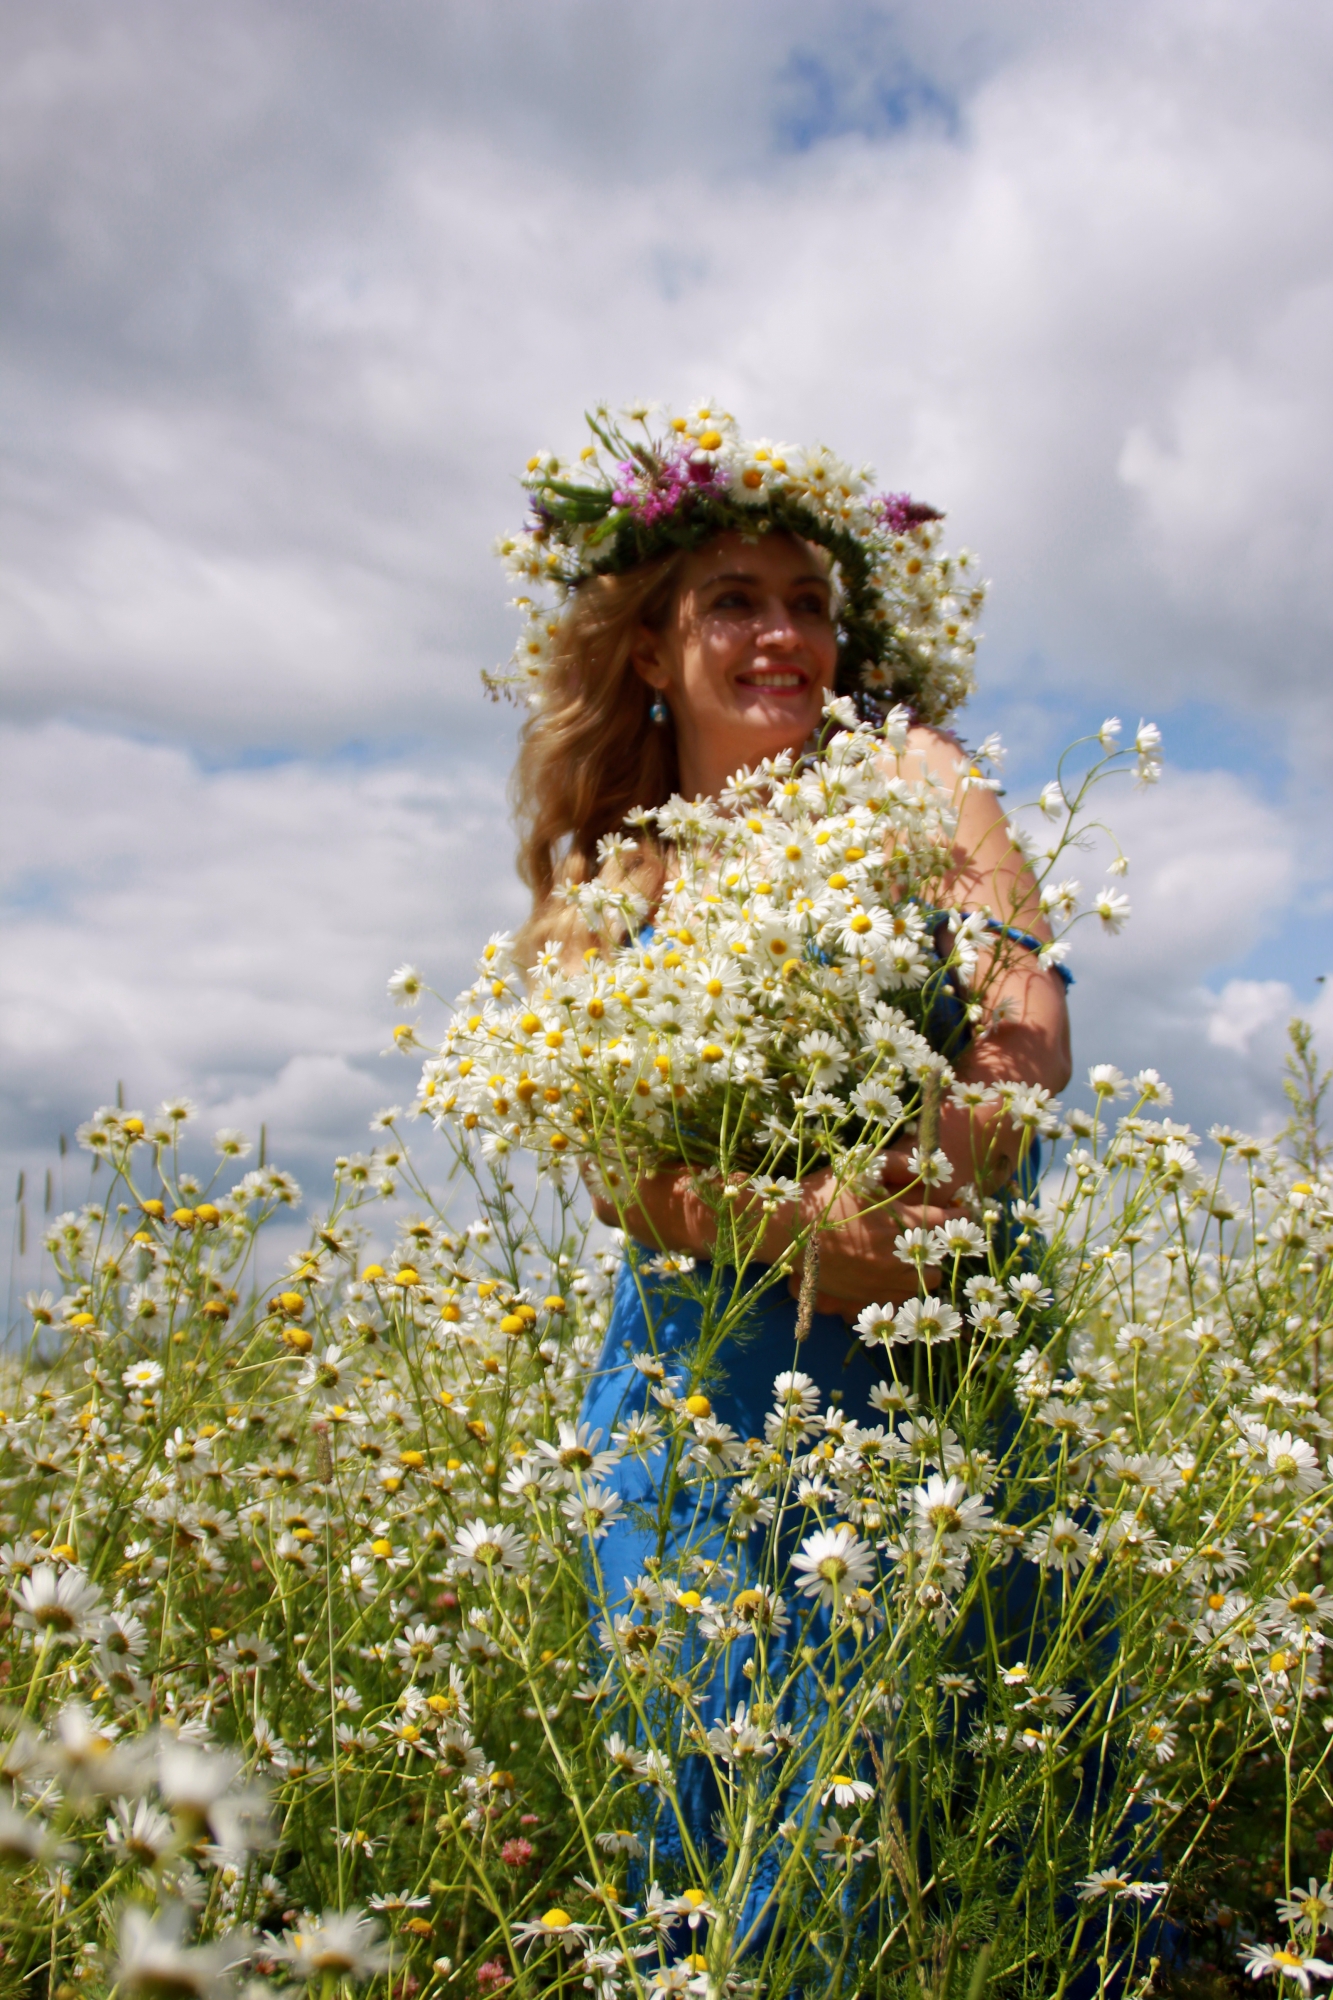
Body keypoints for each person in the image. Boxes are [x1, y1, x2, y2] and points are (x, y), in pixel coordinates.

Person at [494, 404, 1073, 1950]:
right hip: (718, 1410)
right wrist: (822, 1235)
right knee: (751, 1825)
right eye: (733, 601)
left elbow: (1018, 999)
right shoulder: (605, 895)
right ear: (646, 646)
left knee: (981, 1821)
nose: (783, 635)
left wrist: (948, 1176)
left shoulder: (919, 778)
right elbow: (630, 1181)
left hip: (944, 1382)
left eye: (809, 602)